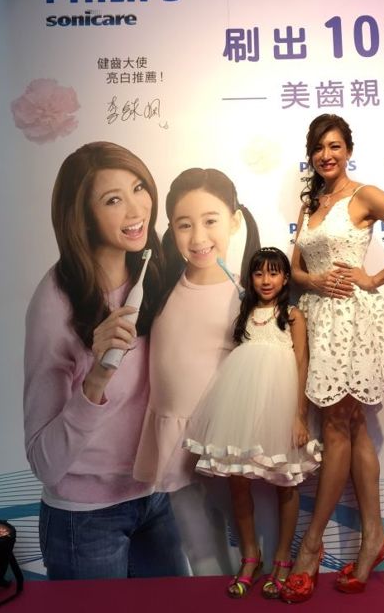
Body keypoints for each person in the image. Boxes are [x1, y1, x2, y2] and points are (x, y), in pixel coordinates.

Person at [280, 114, 384, 602]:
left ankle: (311, 547)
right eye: (318, 148)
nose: (326, 155)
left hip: (353, 321)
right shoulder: (312, 203)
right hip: (318, 320)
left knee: (338, 427)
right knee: (352, 428)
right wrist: (312, 281)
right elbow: (295, 269)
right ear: (311, 155)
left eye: (334, 146)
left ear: (348, 150)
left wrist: (372, 278)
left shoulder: (364, 195)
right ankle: (375, 539)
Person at [23, 142, 188, 580]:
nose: (136, 209)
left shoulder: (154, 271)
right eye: (113, 200)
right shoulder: (55, 304)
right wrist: (97, 376)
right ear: (83, 217)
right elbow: (44, 462)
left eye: (139, 188)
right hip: (85, 517)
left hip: (155, 497)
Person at [133, 168, 261, 575]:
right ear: (171, 229)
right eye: (184, 225)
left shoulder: (246, 295)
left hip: (225, 441)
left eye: (210, 221)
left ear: (234, 221)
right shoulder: (160, 288)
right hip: (174, 440)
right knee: (200, 551)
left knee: (250, 545)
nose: (198, 237)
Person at [183, 247, 321, 599]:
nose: (266, 280)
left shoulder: (292, 316)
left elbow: (302, 364)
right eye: (259, 273)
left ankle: (283, 560)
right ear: (250, 278)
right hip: (241, 409)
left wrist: (299, 416)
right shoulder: (244, 316)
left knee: (285, 481)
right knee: (238, 481)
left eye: (274, 273)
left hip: (282, 409)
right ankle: (250, 558)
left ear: (286, 278)